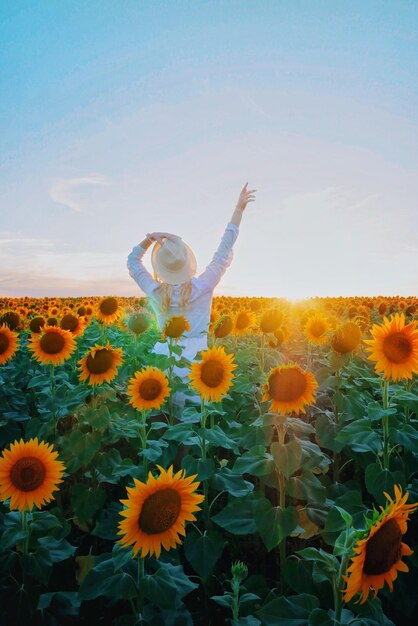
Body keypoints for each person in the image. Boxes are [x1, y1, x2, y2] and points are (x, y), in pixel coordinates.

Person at [126, 182, 257, 413]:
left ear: (161, 268)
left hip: (164, 356)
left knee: (163, 417)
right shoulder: (202, 287)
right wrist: (238, 210)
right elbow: (223, 252)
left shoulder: (155, 292)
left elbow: (133, 263)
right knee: (192, 421)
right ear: (188, 264)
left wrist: (149, 239)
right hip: (196, 359)